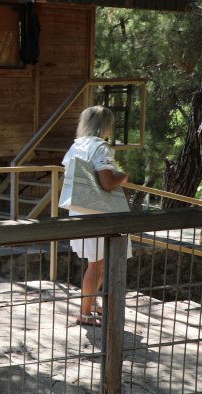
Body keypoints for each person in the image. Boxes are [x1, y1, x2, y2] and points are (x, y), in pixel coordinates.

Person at [62, 105, 131, 327]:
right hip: (98, 212)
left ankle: (90, 304)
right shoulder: (100, 147)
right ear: (105, 125)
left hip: (80, 209)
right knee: (97, 264)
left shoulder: (77, 146)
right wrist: (123, 176)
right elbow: (107, 182)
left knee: (97, 263)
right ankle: (84, 313)